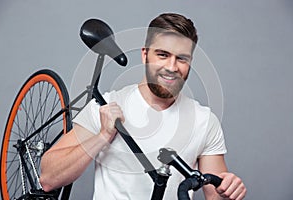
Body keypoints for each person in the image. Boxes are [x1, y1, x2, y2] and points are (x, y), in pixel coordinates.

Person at [40, 13, 247, 199]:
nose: (172, 67)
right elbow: (48, 178)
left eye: (181, 59)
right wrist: (102, 136)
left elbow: (215, 196)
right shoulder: (107, 106)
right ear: (145, 54)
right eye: (163, 55)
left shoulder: (204, 120)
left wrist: (229, 191)